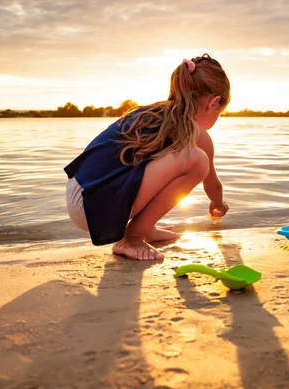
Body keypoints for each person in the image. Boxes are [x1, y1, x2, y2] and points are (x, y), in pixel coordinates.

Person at [64, 54, 230, 261]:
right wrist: (218, 204)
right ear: (213, 103)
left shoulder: (152, 113)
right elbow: (212, 184)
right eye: (220, 112)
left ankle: (145, 228)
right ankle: (132, 236)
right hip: (91, 207)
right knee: (198, 161)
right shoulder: (195, 131)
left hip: (80, 191)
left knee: (172, 161)